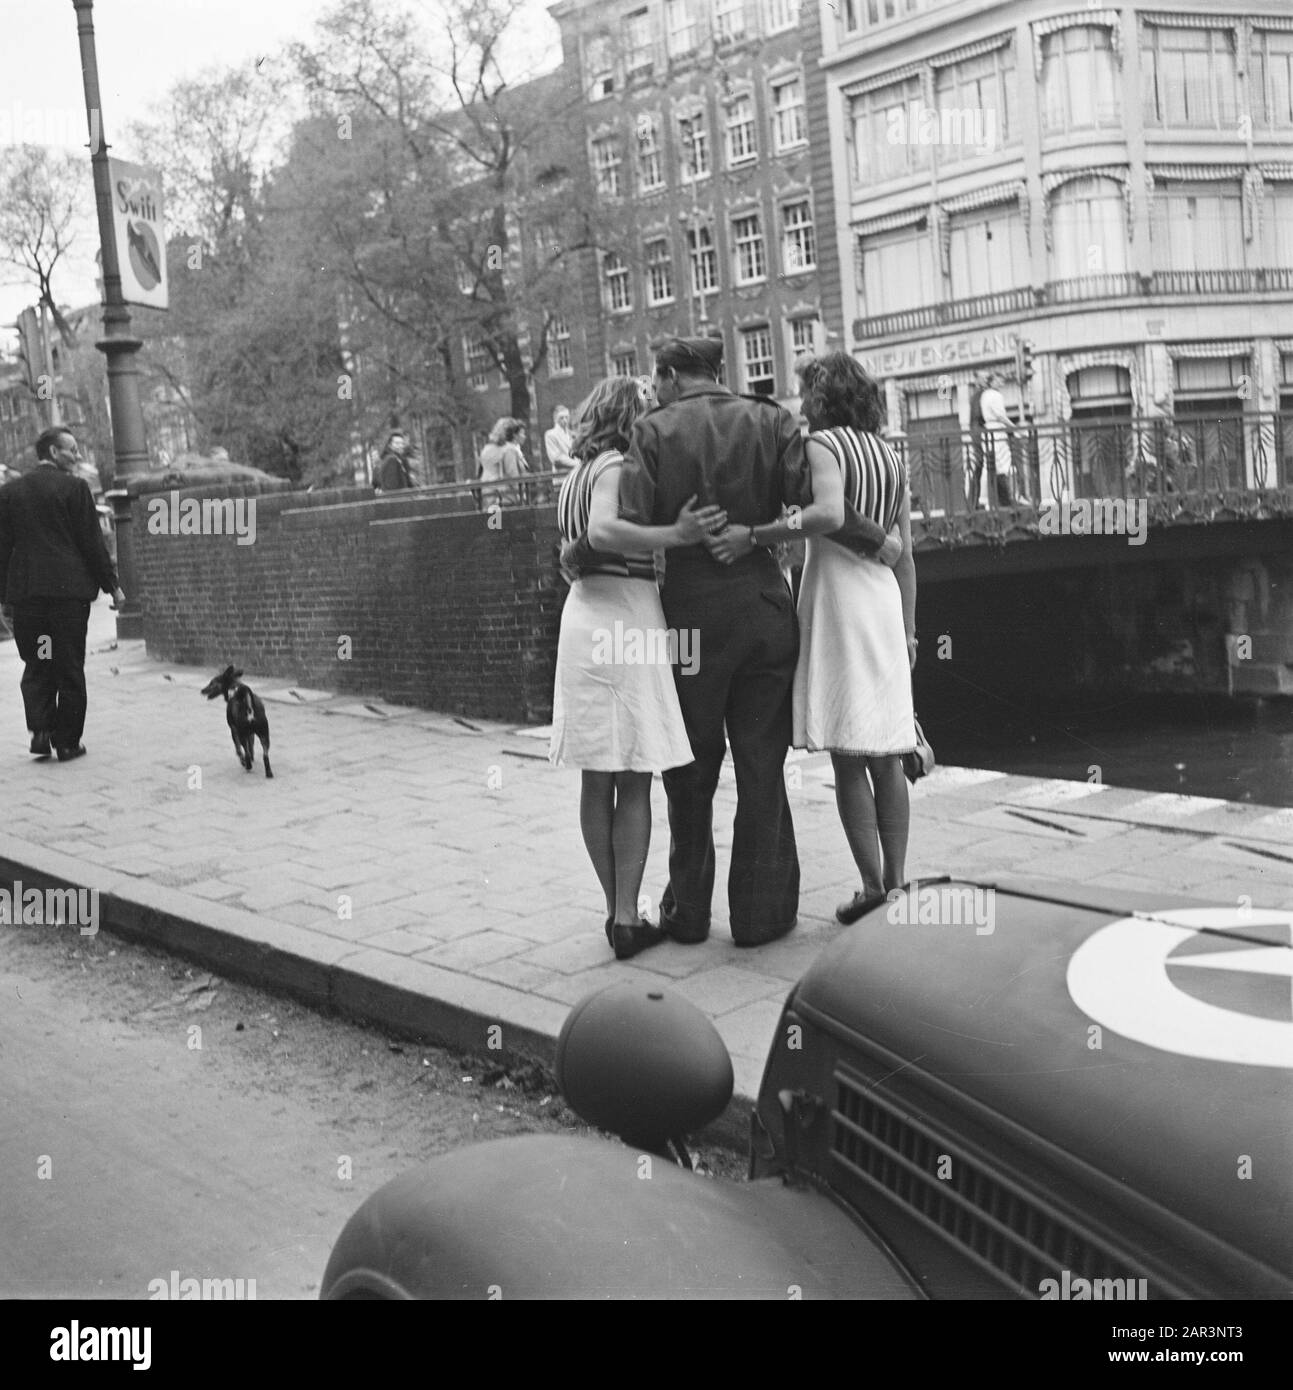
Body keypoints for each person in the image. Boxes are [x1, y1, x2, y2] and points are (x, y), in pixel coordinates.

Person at [614, 336, 807, 947]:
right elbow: (812, 511)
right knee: (761, 765)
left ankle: (689, 912)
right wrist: (759, 533)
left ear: (669, 374)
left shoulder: (651, 433)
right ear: (718, 372)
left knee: (689, 770)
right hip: (762, 606)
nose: (655, 388)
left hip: (689, 622)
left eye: (656, 378)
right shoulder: (773, 419)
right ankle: (760, 915)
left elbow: (631, 530)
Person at [715, 354, 917, 924]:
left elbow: (827, 514)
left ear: (825, 397)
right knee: (888, 754)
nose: (801, 402)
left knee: (851, 757)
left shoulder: (824, 446)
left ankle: (872, 886)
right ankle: (899, 883)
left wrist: (761, 533)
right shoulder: (891, 457)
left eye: (807, 392)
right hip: (881, 602)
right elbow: (907, 554)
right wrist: (910, 629)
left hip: (840, 600)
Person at [550, 377, 723, 960]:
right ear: (628, 415)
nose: (654, 418)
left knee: (596, 776)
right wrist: (675, 534)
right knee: (636, 773)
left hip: (583, 622)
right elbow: (602, 532)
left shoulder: (573, 475)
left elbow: (579, 544)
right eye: (646, 409)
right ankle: (627, 915)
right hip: (627, 619)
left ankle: (614, 909)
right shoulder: (615, 467)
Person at [0, 427, 125, 761]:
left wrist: (3, 598)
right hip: (67, 597)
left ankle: (41, 730)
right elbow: (90, 542)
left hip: (30, 597)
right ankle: (67, 741)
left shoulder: (11, 492)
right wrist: (112, 585)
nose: (78, 456)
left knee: (40, 660)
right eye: (72, 450)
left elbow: (2, 549)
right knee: (68, 664)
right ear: (54, 452)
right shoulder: (74, 489)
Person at [979, 372, 1016, 506]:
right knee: (1004, 464)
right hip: (997, 431)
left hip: (988, 430)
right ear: (993, 381)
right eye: (999, 381)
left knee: (989, 465)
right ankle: (1011, 496)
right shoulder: (996, 395)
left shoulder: (984, 395)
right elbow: (1001, 415)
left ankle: (985, 499)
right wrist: (1014, 427)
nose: (1001, 383)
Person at [478, 418, 529, 509]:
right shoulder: (509, 450)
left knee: (492, 522)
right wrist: (521, 494)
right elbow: (512, 474)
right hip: (503, 496)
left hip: (486, 492)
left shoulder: (487, 448)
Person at [965, 373, 986, 509]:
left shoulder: (975, 396)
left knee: (979, 468)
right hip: (979, 434)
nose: (986, 381)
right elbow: (978, 415)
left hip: (976, 433)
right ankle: (972, 502)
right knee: (979, 466)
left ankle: (973, 502)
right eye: (983, 379)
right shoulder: (980, 395)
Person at [543, 406, 576, 475]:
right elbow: (556, 458)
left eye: (567, 417)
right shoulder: (551, 434)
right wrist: (577, 464)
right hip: (562, 475)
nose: (565, 420)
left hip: (576, 474)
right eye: (561, 418)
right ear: (555, 419)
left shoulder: (573, 434)